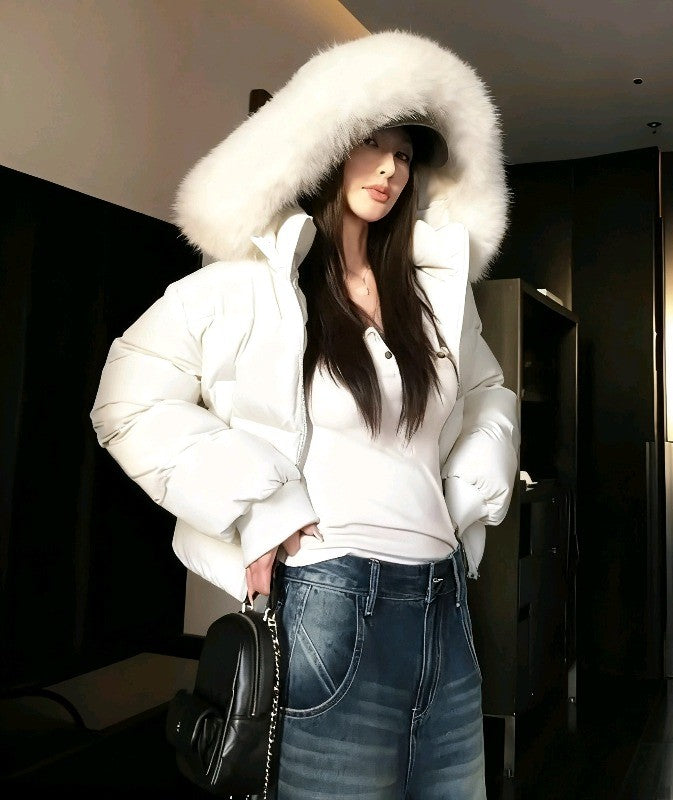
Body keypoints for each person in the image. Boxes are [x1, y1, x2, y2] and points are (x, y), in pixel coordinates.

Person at [91, 30, 519, 800]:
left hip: (445, 603)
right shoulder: (245, 287)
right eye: (372, 144)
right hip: (330, 601)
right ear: (323, 147)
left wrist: (474, 480)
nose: (390, 169)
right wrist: (261, 507)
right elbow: (127, 401)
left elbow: (489, 395)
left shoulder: (432, 297)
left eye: (405, 154)